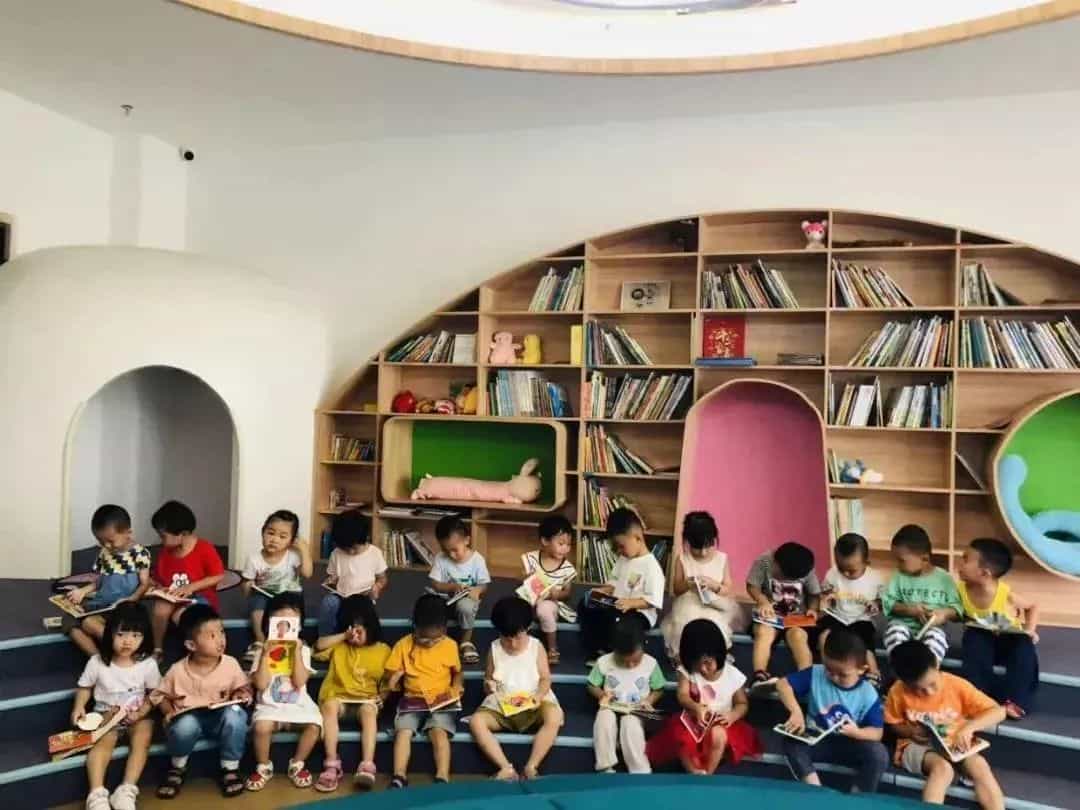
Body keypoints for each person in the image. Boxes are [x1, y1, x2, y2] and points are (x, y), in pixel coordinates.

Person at [885, 640, 1006, 809]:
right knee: (943, 769)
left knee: (980, 766)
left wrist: (969, 728)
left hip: (954, 743)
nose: (929, 692)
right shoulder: (897, 691)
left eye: (932, 684)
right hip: (916, 745)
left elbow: (998, 712)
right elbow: (893, 724)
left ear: (936, 665)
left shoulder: (956, 685)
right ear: (904, 682)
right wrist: (910, 732)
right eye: (918, 689)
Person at [153, 605, 251, 800]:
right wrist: (168, 711)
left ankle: (230, 768)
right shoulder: (177, 670)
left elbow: (242, 688)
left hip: (220, 718)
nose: (221, 640)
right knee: (185, 725)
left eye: (222, 632)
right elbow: (160, 696)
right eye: (212, 636)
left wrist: (241, 695)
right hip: (190, 720)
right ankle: (178, 767)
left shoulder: (230, 664)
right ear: (191, 645)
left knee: (235, 715)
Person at [776, 629, 889, 794]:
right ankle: (815, 790)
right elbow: (782, 684)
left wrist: (857, 733)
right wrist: (796, 711)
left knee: (878, 754)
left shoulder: (868, 693)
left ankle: (858, 796)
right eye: (829, 670)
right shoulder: (816, 673)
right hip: (816, 741)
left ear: (861, 669)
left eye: (843, 675)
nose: (834, 677)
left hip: (851, 743)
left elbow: (877, 733)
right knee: (792, 743)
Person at [71, 603, 160, 810]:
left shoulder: (147, 664)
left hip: (136, 714)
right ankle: (96, 794)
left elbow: (154, 693)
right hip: (106, 713)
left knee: (144, 735)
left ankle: (126, 790)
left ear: (144, 638)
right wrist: (79, 707)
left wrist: (141, 712)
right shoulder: (97, 662)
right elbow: (85, 687)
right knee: (103, 743)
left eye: (136, 636)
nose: (128, 641)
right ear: (109, 633)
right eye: (121, 634)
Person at [647, 619, 760, 775]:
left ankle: (708, 773)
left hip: (721, 722)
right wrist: (695, 707)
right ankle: (693, 771)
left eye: (707, 663)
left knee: (718, 735)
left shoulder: (732, 675)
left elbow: (742, 703)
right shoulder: (688, 671)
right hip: (694, 720)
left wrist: (732, 715)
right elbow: (682, 695)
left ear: (719, 654)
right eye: (697, 663)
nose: (703, 669)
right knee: (680, 736)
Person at [470, 596, 565, 780]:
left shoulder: (536, 647)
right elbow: (488, 678)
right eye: (507, 639)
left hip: (534, 704)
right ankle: (505, 767)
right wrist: (488, 685)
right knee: (476, 722)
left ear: (527, 629)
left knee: (554, 716)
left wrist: (538, 696)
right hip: (503, 707)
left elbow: (545, 679)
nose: (513, 644)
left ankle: (531, 766)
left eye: (518, 638)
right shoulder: (494, 648)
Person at [244, 592, 322, 791]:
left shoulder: (303, 651)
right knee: (261, 728)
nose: (283, 629)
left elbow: (300, 681)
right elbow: (261, 685)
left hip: (298, 704)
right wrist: (264, 655)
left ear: (299, 626)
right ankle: (263, 766)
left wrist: (296, 652)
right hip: (270, 704)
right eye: (278, 623)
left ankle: (297, 763)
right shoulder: (262, 651)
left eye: (290, 623)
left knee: (314, 726)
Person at [385, 594, 464, 788]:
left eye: (435, 639)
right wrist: (394, 678)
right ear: (415, 627)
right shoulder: (403, 645)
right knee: (403, 731)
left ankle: (442, 775)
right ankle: (399, 775)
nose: (429, 643)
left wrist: (456, 687)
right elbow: (389, 678)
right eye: (423, 638)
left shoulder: (450, 645)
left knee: (439, 732)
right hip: (412, 701)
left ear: (444, 630)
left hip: (440, 702)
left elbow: (457, 673)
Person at [956, 538, 1040, 720]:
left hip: (1009, 640)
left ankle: (1017, 701)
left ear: (984, 573)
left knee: (1025, 648)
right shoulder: (960, 590)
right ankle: (978, 697)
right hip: (983, 641)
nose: (959, 564)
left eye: (965, 559)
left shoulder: (1005, 594)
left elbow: (1032, 606)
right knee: (973, 638)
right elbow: (955, 612)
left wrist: (1030, 630)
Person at [315, 594, 391, 792]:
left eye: (359, 630)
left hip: (365, 700)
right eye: (351, 630)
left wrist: (383, 697)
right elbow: (319, 646)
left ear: (370, 627)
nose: (355, 636)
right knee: (329, 706)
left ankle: (367, 765)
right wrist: (343, 636)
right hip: (339, 699)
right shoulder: (340, 646)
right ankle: (332, 763)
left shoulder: (383, 650)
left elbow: (388, 681)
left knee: (369, 711)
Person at [578, 508, 665, 664]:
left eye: (621, 546)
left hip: (639, 613)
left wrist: (631, 603)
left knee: (619, 621)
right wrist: (601, 592)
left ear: (637, 537)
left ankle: (612, 652)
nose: (619, 551)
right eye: (616, 547)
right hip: (617, 604)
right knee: (585, 605)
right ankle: (596, 650)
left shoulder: (651, 566)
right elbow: (614, 582)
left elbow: (652, 600)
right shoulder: (624, 559)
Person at [66, 505, 152, 658]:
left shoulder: (140, 554)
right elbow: (101, 581)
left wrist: (131, 599)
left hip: (125, 608)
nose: (106, 545)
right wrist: (83, 591)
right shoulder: (105, 552)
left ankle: (124, 652)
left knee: (119, 626)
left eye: (111, 541)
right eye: (101, 541)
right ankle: (98, 658)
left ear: (128, 533)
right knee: (72, 621)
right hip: (103, 606)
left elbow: (144, 583)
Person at [587, 615, 665, 774]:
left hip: (636, 709)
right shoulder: (604, 662)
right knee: (604, 720)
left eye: (635, 661)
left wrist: (649, 700)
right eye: (624, 661)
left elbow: (659, 688)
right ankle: (605, 766)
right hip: (611, 705)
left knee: (630, 724)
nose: (630, 665)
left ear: (643, 647)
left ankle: (639, 770)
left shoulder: (650, 664)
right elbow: (592, 684)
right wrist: (601, 695)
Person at [149, 501, 225, 659]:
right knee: (160, 609)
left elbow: (218, 575)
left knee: (183, 616)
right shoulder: (165, 553)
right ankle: (157, 649)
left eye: (163, 536)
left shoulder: (205, 548)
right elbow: (159, 579)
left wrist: (191, 587)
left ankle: (197, 652)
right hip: (175, 597)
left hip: (199, 598)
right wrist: (160, 588)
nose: (161, 540)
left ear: (182, 534)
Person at [661, 511, 737, 667]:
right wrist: (688, 583)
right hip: (689, 602)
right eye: (697, 548)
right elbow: (676, 589)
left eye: (708, 546)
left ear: (714, 539)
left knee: (714, 625)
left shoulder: (721, 558)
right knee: (685, 623)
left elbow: (727, 589)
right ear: (688, 542)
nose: (703, 552)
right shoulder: (683, 559)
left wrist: (714, 585)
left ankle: (711, 659)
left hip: (714, 603)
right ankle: (687, 659)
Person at [240, 510, 312, 664]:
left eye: (282, 536)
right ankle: (260, 641)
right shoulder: (254, 559)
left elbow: (307, 573)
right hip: (265, 595)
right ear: (263, 533)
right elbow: (245, 591)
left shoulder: (293, 556)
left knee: (293, 606)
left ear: (292, 540)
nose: (274, 539)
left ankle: (293, 640)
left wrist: (304, 549)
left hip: (289, 596)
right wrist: (248, 586)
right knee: (257, 602)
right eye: (270, 533)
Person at [882, 524, 961, 662]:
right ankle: (900, 669)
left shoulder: (944, 578)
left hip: (933, 628)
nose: (897, 565)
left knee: (936, 638)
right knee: (895, 632)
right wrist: (908, 609)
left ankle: (928, 670)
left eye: (901, 561)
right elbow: (888, 603)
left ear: (924, 559)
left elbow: (957, 609)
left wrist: (944, 614)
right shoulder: (898, 576)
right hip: (903, 625)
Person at [746, 541, 820, 685]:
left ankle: (806, 679)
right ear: (775, 562)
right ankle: (759, 675)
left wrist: (813, 609)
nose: (785, 580)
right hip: (769, 616)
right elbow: (752, 585)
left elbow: (814, 594)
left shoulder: (805, 568)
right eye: (782, 576)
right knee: (764, 632)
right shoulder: (764, 561)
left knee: (798, 636)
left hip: (796, 619)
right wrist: (762, 601)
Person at [818, 532, 884, 687]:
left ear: (866, 562)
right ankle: (826, 667)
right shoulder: (832, 574)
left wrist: (876, 604)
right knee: (824, 635)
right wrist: (827, 598)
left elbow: (882, 601)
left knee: (864, 642)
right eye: (841, 568)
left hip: (861, 618)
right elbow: (825, 592)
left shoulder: (875, 578)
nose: (846, 573)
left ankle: (874, 673)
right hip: (838, 616)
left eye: (852, 570)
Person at [427, 515, 490, 665]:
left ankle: (466, 642)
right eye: (445, 550)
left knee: (465, 607)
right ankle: (438, 639)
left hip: (466, 599)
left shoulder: (477, 560)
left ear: (467, 541)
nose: (451, 555)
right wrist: (452, 587)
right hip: (445, 598)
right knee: (428, 605)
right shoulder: (441, 558)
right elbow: (435, 584)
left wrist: (477, 591)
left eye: (455, 550)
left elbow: (484, 585)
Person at [318, 510, 388, 638]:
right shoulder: (336, 553)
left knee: (363, 616)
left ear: (365, 538)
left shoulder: (374, 553)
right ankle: (326, 638)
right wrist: (331, 581)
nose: (350, 552)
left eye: (354, 548)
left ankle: (366, 638)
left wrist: (377, 587)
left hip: (363, 598)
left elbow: (382, 578)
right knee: (328, 602)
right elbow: (332, 576)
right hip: (342, 597)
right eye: (346, 548)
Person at [520, 515, 577, 664]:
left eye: (568, 544)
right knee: (516, 606)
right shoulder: (531, 558)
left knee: (544, 609)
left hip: (550, 603)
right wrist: (526, 577)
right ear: (545, 541)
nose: (565, 548)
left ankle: (552, 648)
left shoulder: (567, 568)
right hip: (530, 600)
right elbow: (522, 581)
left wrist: (556, 594)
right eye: (561, 543)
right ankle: (520, 643)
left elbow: (567, 593)